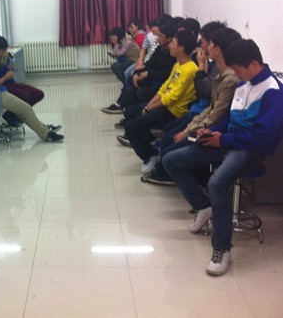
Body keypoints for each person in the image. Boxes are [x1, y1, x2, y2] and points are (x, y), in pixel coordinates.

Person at [163, 39, 283, 276]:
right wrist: (211, 131)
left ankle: (221, 249)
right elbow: (230, 117)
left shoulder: (273, 92)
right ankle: (203, 206)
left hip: (250, 149)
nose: (235, 75)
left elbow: (262, 137)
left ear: (254, 64)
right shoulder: (244, 83)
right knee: (171, 160)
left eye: (237, 70)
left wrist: (224, 140)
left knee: (217, 182)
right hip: (228, 140)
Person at [143, 26, 241, 185]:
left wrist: (188, 131)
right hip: (200, 117)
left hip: (210, 127)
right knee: (168, 137)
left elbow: (212, 108)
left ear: (218, 49)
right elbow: (211, 107)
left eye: (207, 42)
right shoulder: (217, 70)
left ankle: (171, 176)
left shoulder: (229, 77)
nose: (202, 45)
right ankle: (165, 170)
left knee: (170, 147)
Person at [121, 29, 199, 174]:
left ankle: (149, 155)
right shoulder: (178, 65)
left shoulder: (190, 70)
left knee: (130, 127)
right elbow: (164, 88)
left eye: (173, 43)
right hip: (163, 106)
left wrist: (148, 108)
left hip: (173, 111)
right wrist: (149, 106)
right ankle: (151, 144)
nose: (170, 45)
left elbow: (172, 98)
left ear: (181, 47)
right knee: (130, 112)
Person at [0, 32, 64, 143]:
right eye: (1, 52)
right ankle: (46, 134)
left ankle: (44, 130)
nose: (2, 55)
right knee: (26, 109)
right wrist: (6, 76)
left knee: (25, 108)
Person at [101, 25, 141, 114]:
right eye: (111, 36)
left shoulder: (128, 42)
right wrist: (113, 52)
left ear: (119, 35)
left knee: (118, 67)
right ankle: (125, 82)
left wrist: (115, 45)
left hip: (135, 60)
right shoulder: (121, 42)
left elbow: (120, 53)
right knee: (114, 66)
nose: (112, 38)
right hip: (129, 60)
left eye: (114, 36)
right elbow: (116, 53)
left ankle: (125, 83)